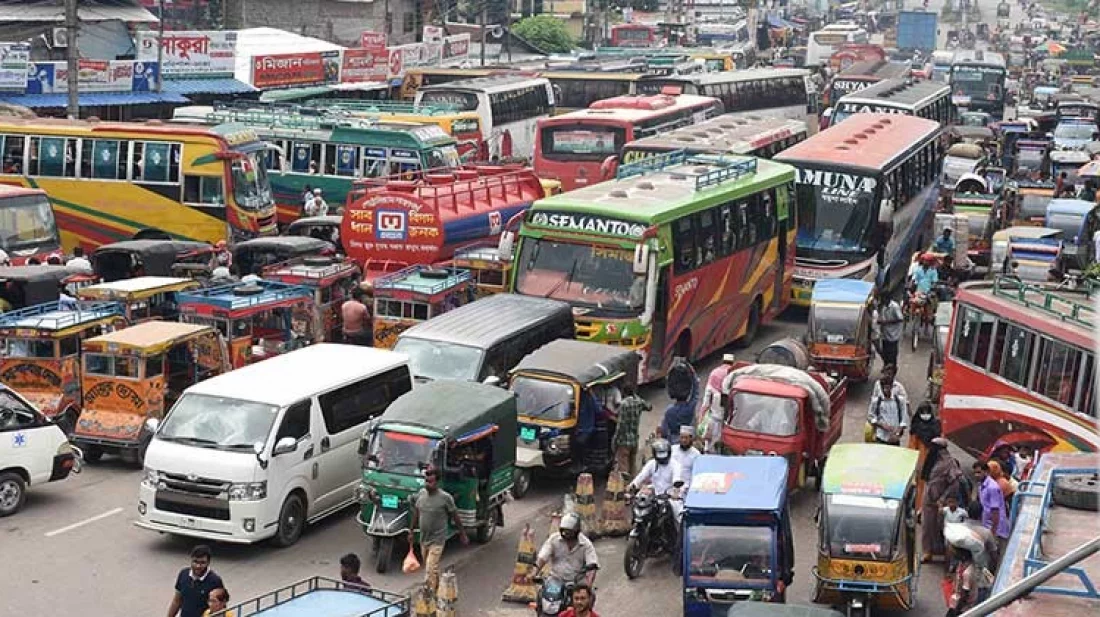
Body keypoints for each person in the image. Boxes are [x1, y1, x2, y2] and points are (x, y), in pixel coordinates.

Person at [408, 467, 468, 596]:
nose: (428, 484)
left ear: (437, 482)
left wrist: (462, 533)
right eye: (426, 481)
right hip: (424, 539)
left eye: (431, 482)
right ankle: (439, 588)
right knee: (430, 568)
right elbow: (416, 512)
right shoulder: (421, 494)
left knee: (430, 567)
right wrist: (411, 531)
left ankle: (430, 595)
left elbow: (455, 516)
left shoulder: (445, 498)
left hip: (438, 539)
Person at [920, 437, 964, 563]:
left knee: (941, 528)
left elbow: (955, 483)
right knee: (927, 526)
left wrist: (943, 498)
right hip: (928, 499)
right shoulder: (931, 461)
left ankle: (945, 554)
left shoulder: (949, 463)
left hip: (941, 502)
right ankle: (927, 552)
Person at [535, 512, 599, 587]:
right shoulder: (554, 539)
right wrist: (534, 573)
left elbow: (592, 566)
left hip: (577, 583)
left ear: (577, 531)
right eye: (564, 531)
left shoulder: (586, 545)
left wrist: (588, 584)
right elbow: (542, 558)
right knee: (541, 594)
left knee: (583, 597)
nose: (567, 535)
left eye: (570, 532)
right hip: (555, 580)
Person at [628, 439, 684, 523]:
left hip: (669, 496)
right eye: (659, 454)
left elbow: (677, 478)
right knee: (638, 504)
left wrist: (675, 491)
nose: (662, 457)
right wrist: (632, 486)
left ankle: (679, 533)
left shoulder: (675, 465)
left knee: (677, 514)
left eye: (663, 453)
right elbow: (641, 476)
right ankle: (636, 525)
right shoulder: (651, 464)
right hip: (653, 496)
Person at [166, 545, 225, 617]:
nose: (198, 566)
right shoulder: (183, 574)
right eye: (195, 562)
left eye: (202, 563)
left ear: (208, 562)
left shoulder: (215, 581)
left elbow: (221, 608)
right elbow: (177, 601)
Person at [698, 354, 736, 453]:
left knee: (709, 445)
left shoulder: (714, 373)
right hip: (727, 422)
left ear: (722, 361)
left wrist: (701, 416)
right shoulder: (734, 374)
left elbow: (706, 401)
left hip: (713, 418)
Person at [973, 460, 1011, 558]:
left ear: (986, 472)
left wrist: (993, 532)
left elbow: (995, 511)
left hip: (996, 529)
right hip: (987, 526)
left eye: (979, 472)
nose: (976, 475)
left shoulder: (992, 487)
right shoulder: (981, 485)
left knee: (996, 556)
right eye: (975, 473)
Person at [611, 384, 651, 476]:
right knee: (632, 465)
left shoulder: (623, 404)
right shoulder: (639, 402)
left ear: (624, 392)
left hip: (624, 441)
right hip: (634, 439)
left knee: (623, 469)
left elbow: (620, 425)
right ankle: (633, 484)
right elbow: (649, 407)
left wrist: (615, 440)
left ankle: (624, 487)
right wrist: (636, 397)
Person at [661, 360, 699, 439]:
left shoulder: (669, 411)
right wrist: (692, 371)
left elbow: (664, 431)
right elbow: (696, 392)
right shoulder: (690, 409)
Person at [868, 373, 908, 445]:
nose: (886, 390)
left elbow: (904, 418)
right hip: (880, 437)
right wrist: (881, 425)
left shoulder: (900, 401)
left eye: (888, 387)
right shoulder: (876, 401)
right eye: (884, 388)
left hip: (894, 438)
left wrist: (898, 432)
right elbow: (870, 417)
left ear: (892, 387)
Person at [875, 290, 903, 368]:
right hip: (885, 334)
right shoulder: (884, 307)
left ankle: (892, 368)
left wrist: (886, 322)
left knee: (892, 353)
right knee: (885, 352)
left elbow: (900, 319)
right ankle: (886, 366)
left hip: (893, 334)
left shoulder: (894, 306)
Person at [671, 425, 701, 490]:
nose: (683, 440)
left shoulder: (696, 454)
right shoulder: (672, 449)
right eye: (682, 437)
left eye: (686, 438)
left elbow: (697, 474)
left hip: (687, 487)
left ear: (691, 439)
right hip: (671, 485)